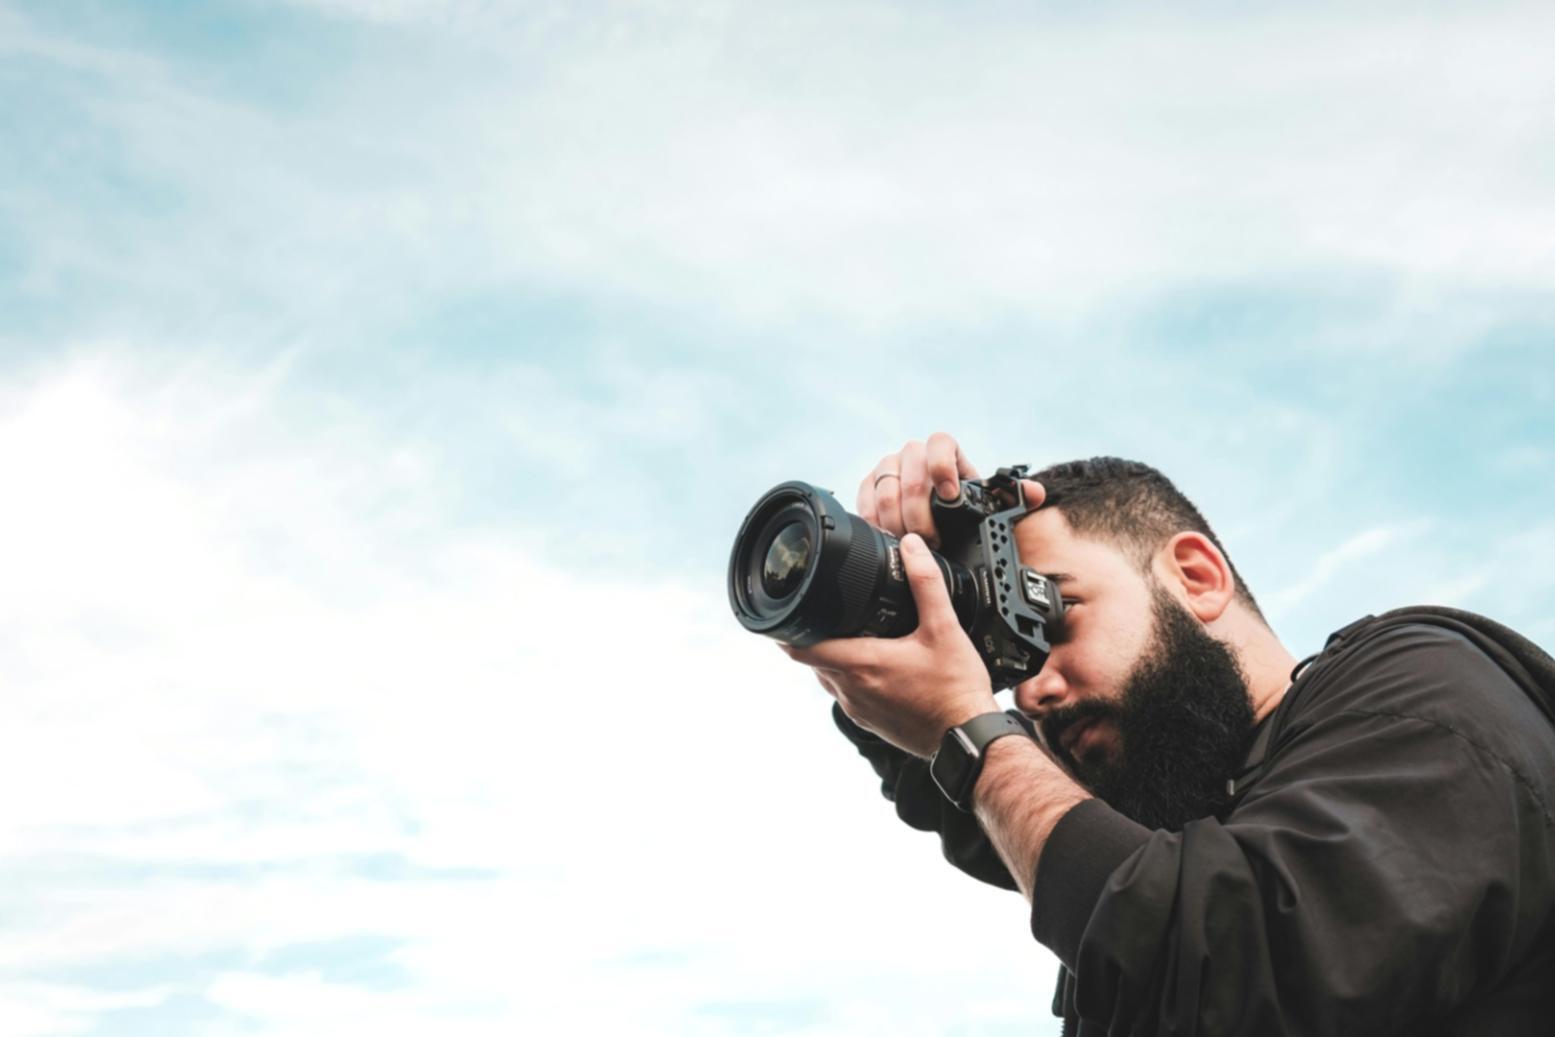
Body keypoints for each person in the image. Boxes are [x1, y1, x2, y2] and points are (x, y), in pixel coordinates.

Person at [778, 432, 1555, 1036]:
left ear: (1195, 576)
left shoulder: (1421, 685)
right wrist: (886, 625)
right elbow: (1049, 844)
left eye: (1053, 614)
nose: (1029, 688)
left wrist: (971, 731)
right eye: (1006, 658)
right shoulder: (1193, 805)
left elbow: (1229, 963)